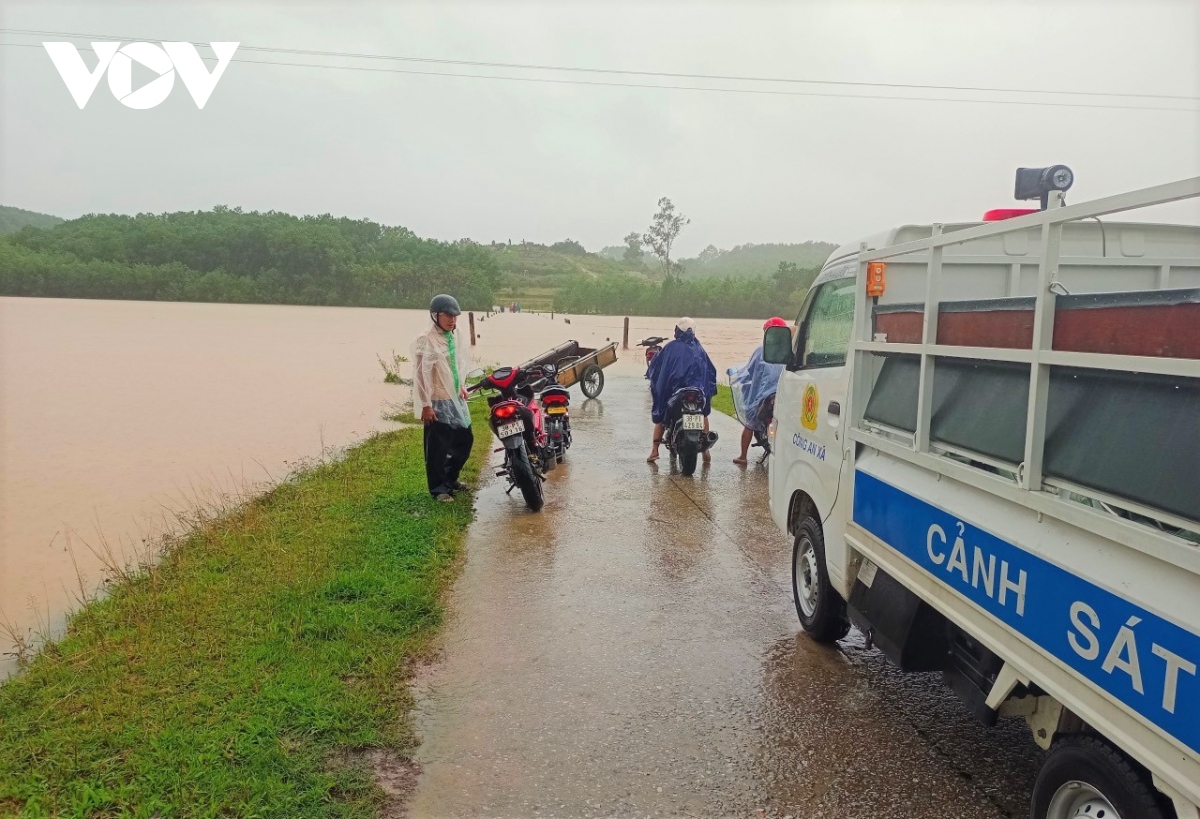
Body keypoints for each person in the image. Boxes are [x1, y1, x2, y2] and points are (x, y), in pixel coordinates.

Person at [412, 294, 474, 502]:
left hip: (455, 397)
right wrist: (426, 405)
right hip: (437, 401)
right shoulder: (426, 339)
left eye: (455, 316)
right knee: (438, 448)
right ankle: (439, 489)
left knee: (465, 439)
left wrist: (462, 385)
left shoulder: (455, 335)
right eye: (447, 315)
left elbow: (457, 365)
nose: (452, 320)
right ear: (435, 315)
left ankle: (450, 477)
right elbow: (421, 374)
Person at [646, 317, 717, 463]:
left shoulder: (671, 347)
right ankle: (706, 451)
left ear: (678, 331)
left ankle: (654, 450)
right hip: (697, 391)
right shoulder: (699, 348)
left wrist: (653, 376)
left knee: (661, 411)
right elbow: (710, 371)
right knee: (703, 413)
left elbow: (658, 367)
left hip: (676, 392)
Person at [733, 317, 788, 465]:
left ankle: (743, 456)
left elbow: (749, 371)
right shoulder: (789, 351)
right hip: (785, 396)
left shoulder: (761, 350)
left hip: (764, 396)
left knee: (750, 422)